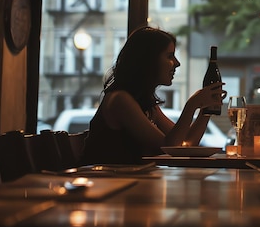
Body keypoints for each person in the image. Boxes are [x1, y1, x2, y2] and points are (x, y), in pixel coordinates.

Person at [80, 26, 226, 165]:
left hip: (127, 182)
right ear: (149, 60)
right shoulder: (120, 100)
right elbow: (168, 147)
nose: (177, 63)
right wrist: (191, 105)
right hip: (104, 186)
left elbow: (185, 144)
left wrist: (205, 111)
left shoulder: (145, 103)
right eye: (170, 56)